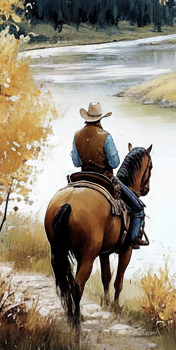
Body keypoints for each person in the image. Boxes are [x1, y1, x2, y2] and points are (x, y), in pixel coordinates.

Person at [71, 102, 147, 247]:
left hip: (82, 177)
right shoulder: (106, 136)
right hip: (104, 178)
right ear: (100, 119)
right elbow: (114, 163)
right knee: (138, 208)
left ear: (87, 118)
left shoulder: (77, 135)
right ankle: (134, 239)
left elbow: (76, 162)